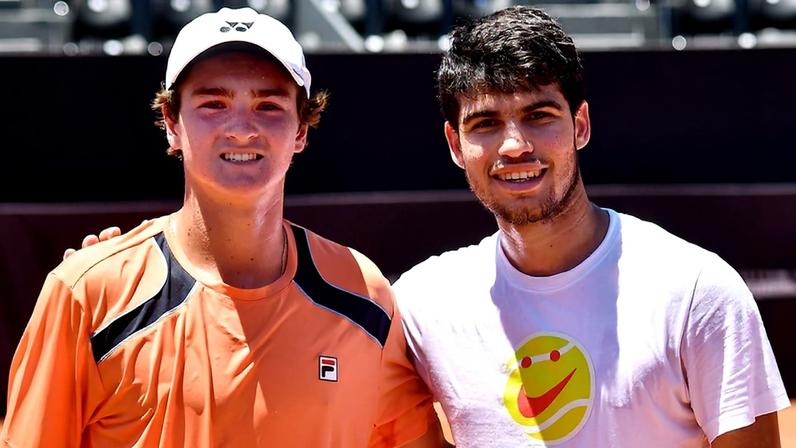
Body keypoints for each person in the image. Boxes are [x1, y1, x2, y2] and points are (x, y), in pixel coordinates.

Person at [1, 7, 447, 447]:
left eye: (268, 104)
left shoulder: (363, 294)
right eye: (214, 103)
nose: (241, 128)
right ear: (171, 123)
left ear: (301, 131)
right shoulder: (86, 293)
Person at [392, 6, 789, 447]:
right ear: (455, 145)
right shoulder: (420, 306)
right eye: (485, 124)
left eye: (539, 115)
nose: (514, 145)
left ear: (580, 125)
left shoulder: (697, 291)